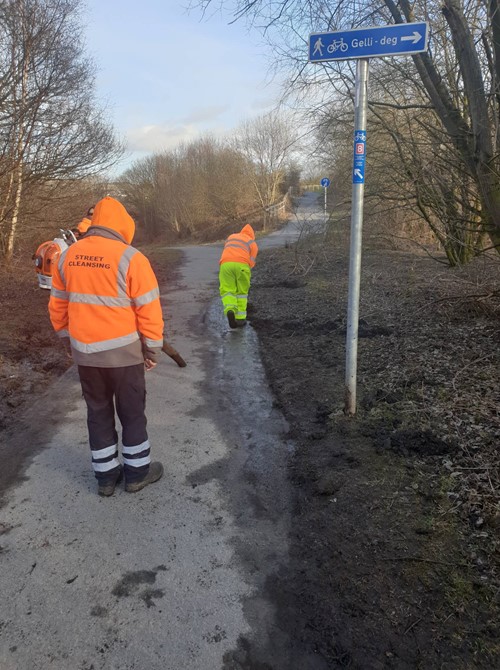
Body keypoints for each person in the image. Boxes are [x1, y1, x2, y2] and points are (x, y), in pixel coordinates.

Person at [48, 196, 164, 496]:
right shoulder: (132, 258)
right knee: (132, 413)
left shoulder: (67, 256)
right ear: (123, 226)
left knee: (97, 412)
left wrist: (68, 341)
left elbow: (58, 306)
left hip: (86, 356)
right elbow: (149, 310)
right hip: (125, 356)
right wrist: (150, 349)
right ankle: (137, 473)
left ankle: (105, 478)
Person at [219, 224, 258, 328]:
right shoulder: (252, 243)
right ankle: (240, 319)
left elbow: (227, 249)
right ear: (252, 235)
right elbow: (251, 263)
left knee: (227, 290)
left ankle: (230, 309)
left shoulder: (231, 237)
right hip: (242, 265)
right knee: (242, 292)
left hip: (225, 264)